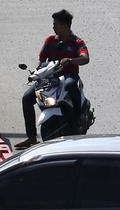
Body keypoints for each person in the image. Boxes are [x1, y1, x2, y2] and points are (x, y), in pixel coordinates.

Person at [16, 10, 89, 150]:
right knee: (27, 98)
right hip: (50, 78)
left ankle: (78, 119)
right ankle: (31, 137)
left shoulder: (77, 42)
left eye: (56, 24)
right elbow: (42, 59)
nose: (53, 27)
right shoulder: (50, 40)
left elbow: (85, 59)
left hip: (68, 75)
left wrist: (70, 60)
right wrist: (38, 71)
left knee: (70, 85)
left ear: (65, 26)